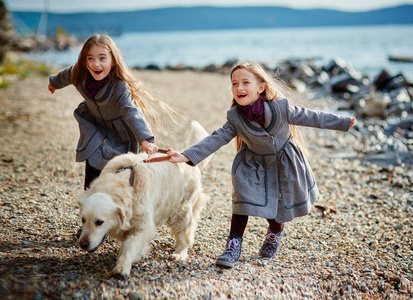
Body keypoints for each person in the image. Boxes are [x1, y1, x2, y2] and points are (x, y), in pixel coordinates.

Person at [168, 62, 356, 268]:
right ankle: (233, 245)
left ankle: (275, 230)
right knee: (242, 200)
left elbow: (312, 117)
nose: (239, 88)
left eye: (245, 83)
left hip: (284, 163)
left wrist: (343, 122)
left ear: (260, 87)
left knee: (275, 208)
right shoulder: (235, 117)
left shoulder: (282, 108)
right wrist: (187, 156)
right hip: (253, 165)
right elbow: (217, 138)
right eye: (234, 83)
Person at [48, 33, 172, 190]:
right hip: (95, 126)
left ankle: (119, 205)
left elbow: (131, 111)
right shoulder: (79, 74)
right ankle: (90, 202)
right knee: (93, 159)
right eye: (90, 58)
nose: (95, 64)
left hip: (121, 133)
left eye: (102, 58)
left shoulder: (119, 86)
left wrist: (145, 139)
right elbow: (66, 75)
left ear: (113, 61)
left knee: (121, 173)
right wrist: (53, 83)